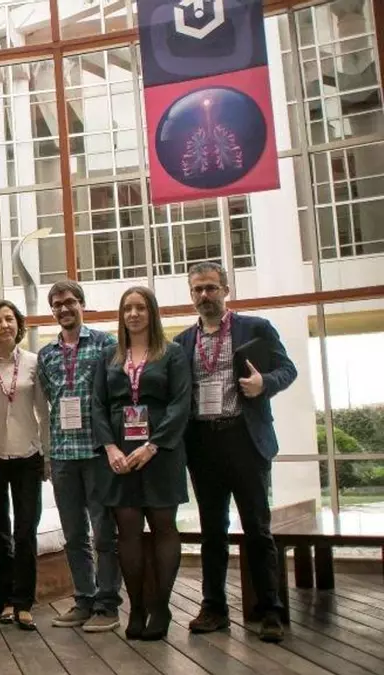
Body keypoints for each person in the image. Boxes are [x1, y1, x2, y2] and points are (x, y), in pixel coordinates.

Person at [175, 262, 295, 643]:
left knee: (257, 529)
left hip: (245, 439)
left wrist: (265, 383)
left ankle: (270, 610)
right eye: (197, 289)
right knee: (212, 531)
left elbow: (288, 369)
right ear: (191, 295)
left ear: (226, 289)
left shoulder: (255, 328)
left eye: (211, 287)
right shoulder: (181, 342)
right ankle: (214, 608)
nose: (204, 295)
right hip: (203, 444)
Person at [92, 286, 192, 641]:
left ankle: (160, 607)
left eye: (140, 308)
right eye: (127, 309)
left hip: (161, 451)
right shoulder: (109, 356)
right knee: (128, 530)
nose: (133, 314)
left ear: (152, 312)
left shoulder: (173, 353)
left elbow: (181, 404)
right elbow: (98, 405)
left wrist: (152, 446)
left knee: (164, 526)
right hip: (119, 454)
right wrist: (110, 448)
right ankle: (135, 607)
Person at [38, 281, 122, 633]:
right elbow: (50, 400)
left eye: (69, 302)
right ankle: (84, 599)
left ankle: (108, 603)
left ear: (82, 304)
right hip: (63, 455)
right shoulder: (46, 354)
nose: (64, 309)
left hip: (98, 452)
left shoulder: (106, 344)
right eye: (57, 304)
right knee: (74, 534)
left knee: (104, 533)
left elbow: (116, 395)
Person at [0, 300, 50, 631]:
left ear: (19, 325)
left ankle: (24, 601)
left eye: (10, 319)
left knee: (25, 530)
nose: (4, 325)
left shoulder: (34, 362)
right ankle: (5, 599)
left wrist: (46, 454)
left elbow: (44, 412)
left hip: (28, 456)